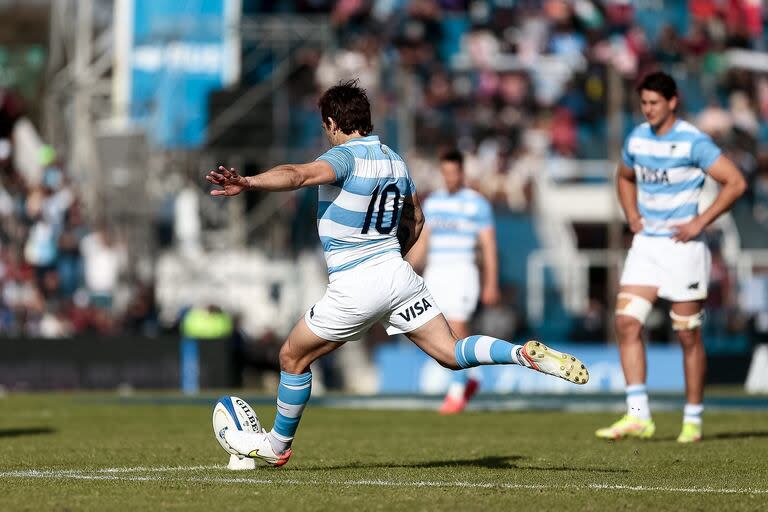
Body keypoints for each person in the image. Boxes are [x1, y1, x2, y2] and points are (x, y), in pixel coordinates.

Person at [206, 80, 589, 467]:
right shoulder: (395, 160)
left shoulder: (345, 157)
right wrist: (392, 257)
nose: (326, 134)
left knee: (291, 357)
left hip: (357, 282)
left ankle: (277, 445)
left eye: (326, 127)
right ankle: (521, 353)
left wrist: (248, 182)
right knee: (452, 353)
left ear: (333, 122)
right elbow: (417, 219)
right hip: (397, 275)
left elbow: (297, 175)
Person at [595, 72, 746, 443]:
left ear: (672, 101)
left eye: (654, 103)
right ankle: (638, 415)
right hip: (647, 246)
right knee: (627, 322)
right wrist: (631, 214)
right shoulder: (637, 138)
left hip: (684, 249)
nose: (647, 110)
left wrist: (700, 221)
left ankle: (692, 419)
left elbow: (736, 182)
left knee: (687, 334)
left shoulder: (693, 141)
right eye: (643, 103)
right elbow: (624, 176)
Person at [406, 149, 500, 414]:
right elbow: (423, 243)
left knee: (457, 328)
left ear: (461, 172)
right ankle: (469, 379)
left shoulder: (477, 204)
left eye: (453, 173)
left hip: (462, 271)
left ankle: (457, 393)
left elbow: (488, 246)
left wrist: (491, 282)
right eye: (445, 173)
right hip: (436, 272)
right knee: (440, 331)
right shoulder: (433, 203)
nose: (449, 178)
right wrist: (405, 270)